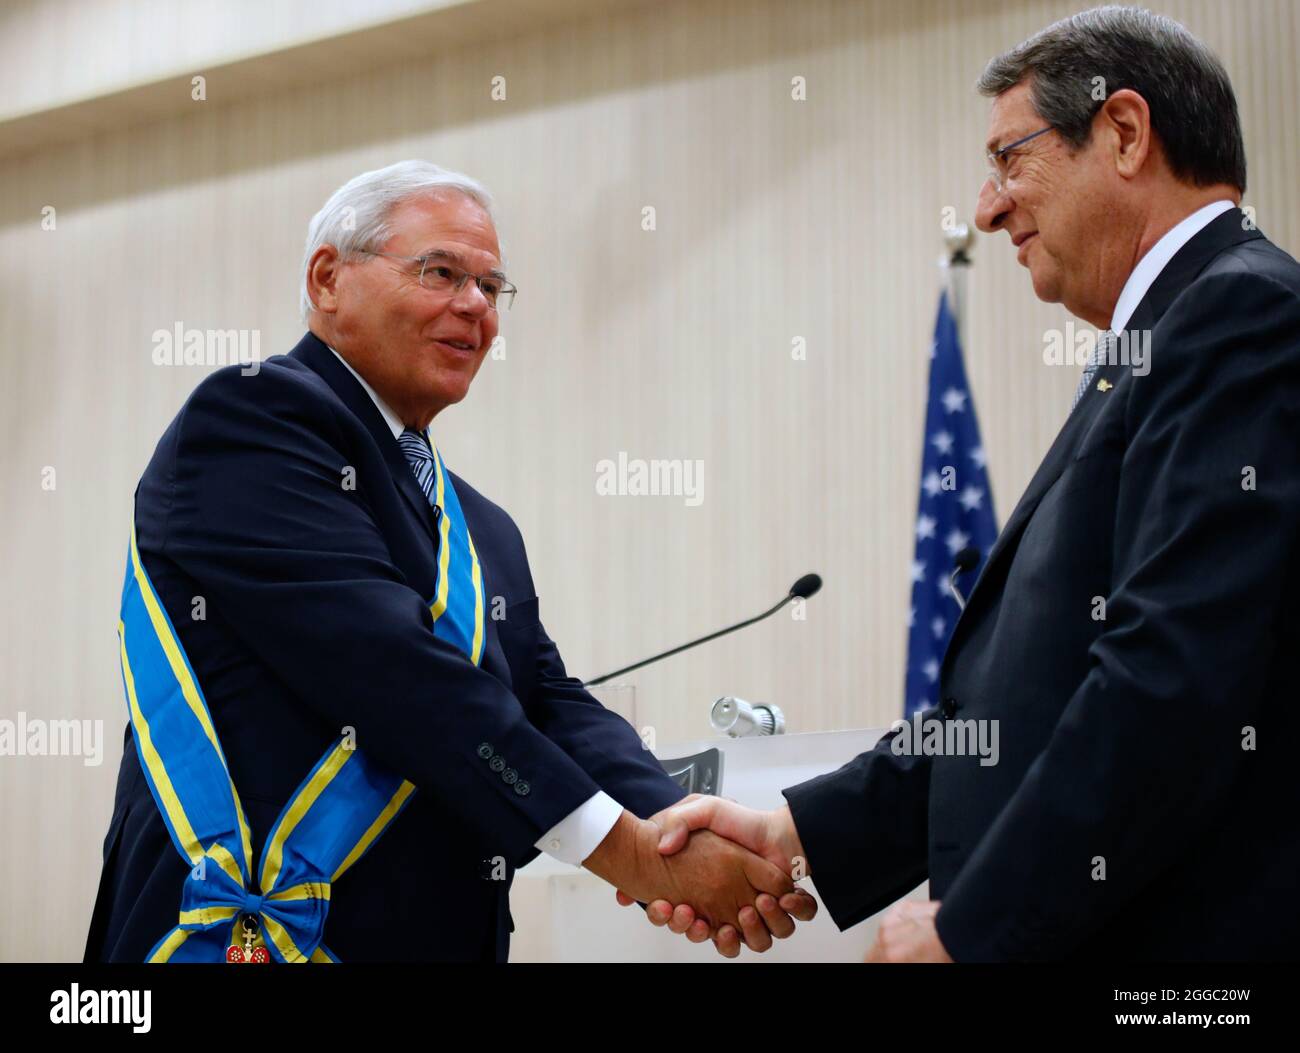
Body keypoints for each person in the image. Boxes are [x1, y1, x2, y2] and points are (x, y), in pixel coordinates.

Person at [627, 5, 1300, 962]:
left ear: (1123, 132)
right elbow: (1029, 696)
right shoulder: (1163, 339)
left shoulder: (1239, 313)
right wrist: (800, 832)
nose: (987, 208)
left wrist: (973, 928)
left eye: (1010, 158)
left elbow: (1169, 683)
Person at [85, 160, 815, 962]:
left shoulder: (483, 527)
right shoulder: (254, 420)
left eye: (491, 286)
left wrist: (672, 822)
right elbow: (394, 671)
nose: (474, 305)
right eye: (440, 272)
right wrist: (630, 853)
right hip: (264, 937)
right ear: (329, 279)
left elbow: (548, 701)